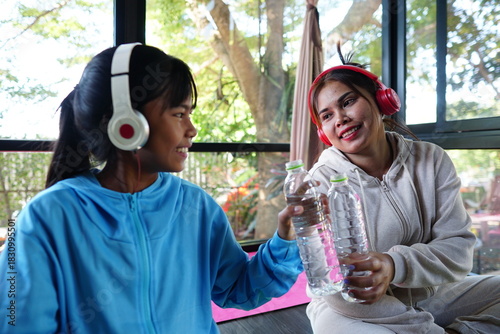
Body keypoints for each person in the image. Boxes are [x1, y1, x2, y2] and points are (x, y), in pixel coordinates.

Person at [0, 43, 303, 333]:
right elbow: (18, 323)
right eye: (179, 114)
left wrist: (285, 239)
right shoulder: (45, 218)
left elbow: (239, 288)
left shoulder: (196, 207)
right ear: (127, 123)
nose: (192, 129)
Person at [302, 48, 500, 333]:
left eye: (348, 101)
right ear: (324, 132)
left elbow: (458, 253)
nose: (340, 118)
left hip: (430, 293)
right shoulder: (318, 184)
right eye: (327, 115)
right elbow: (334, 288)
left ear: (382, 100)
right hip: (353, 308)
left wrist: (395, 264)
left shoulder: (431, 160)